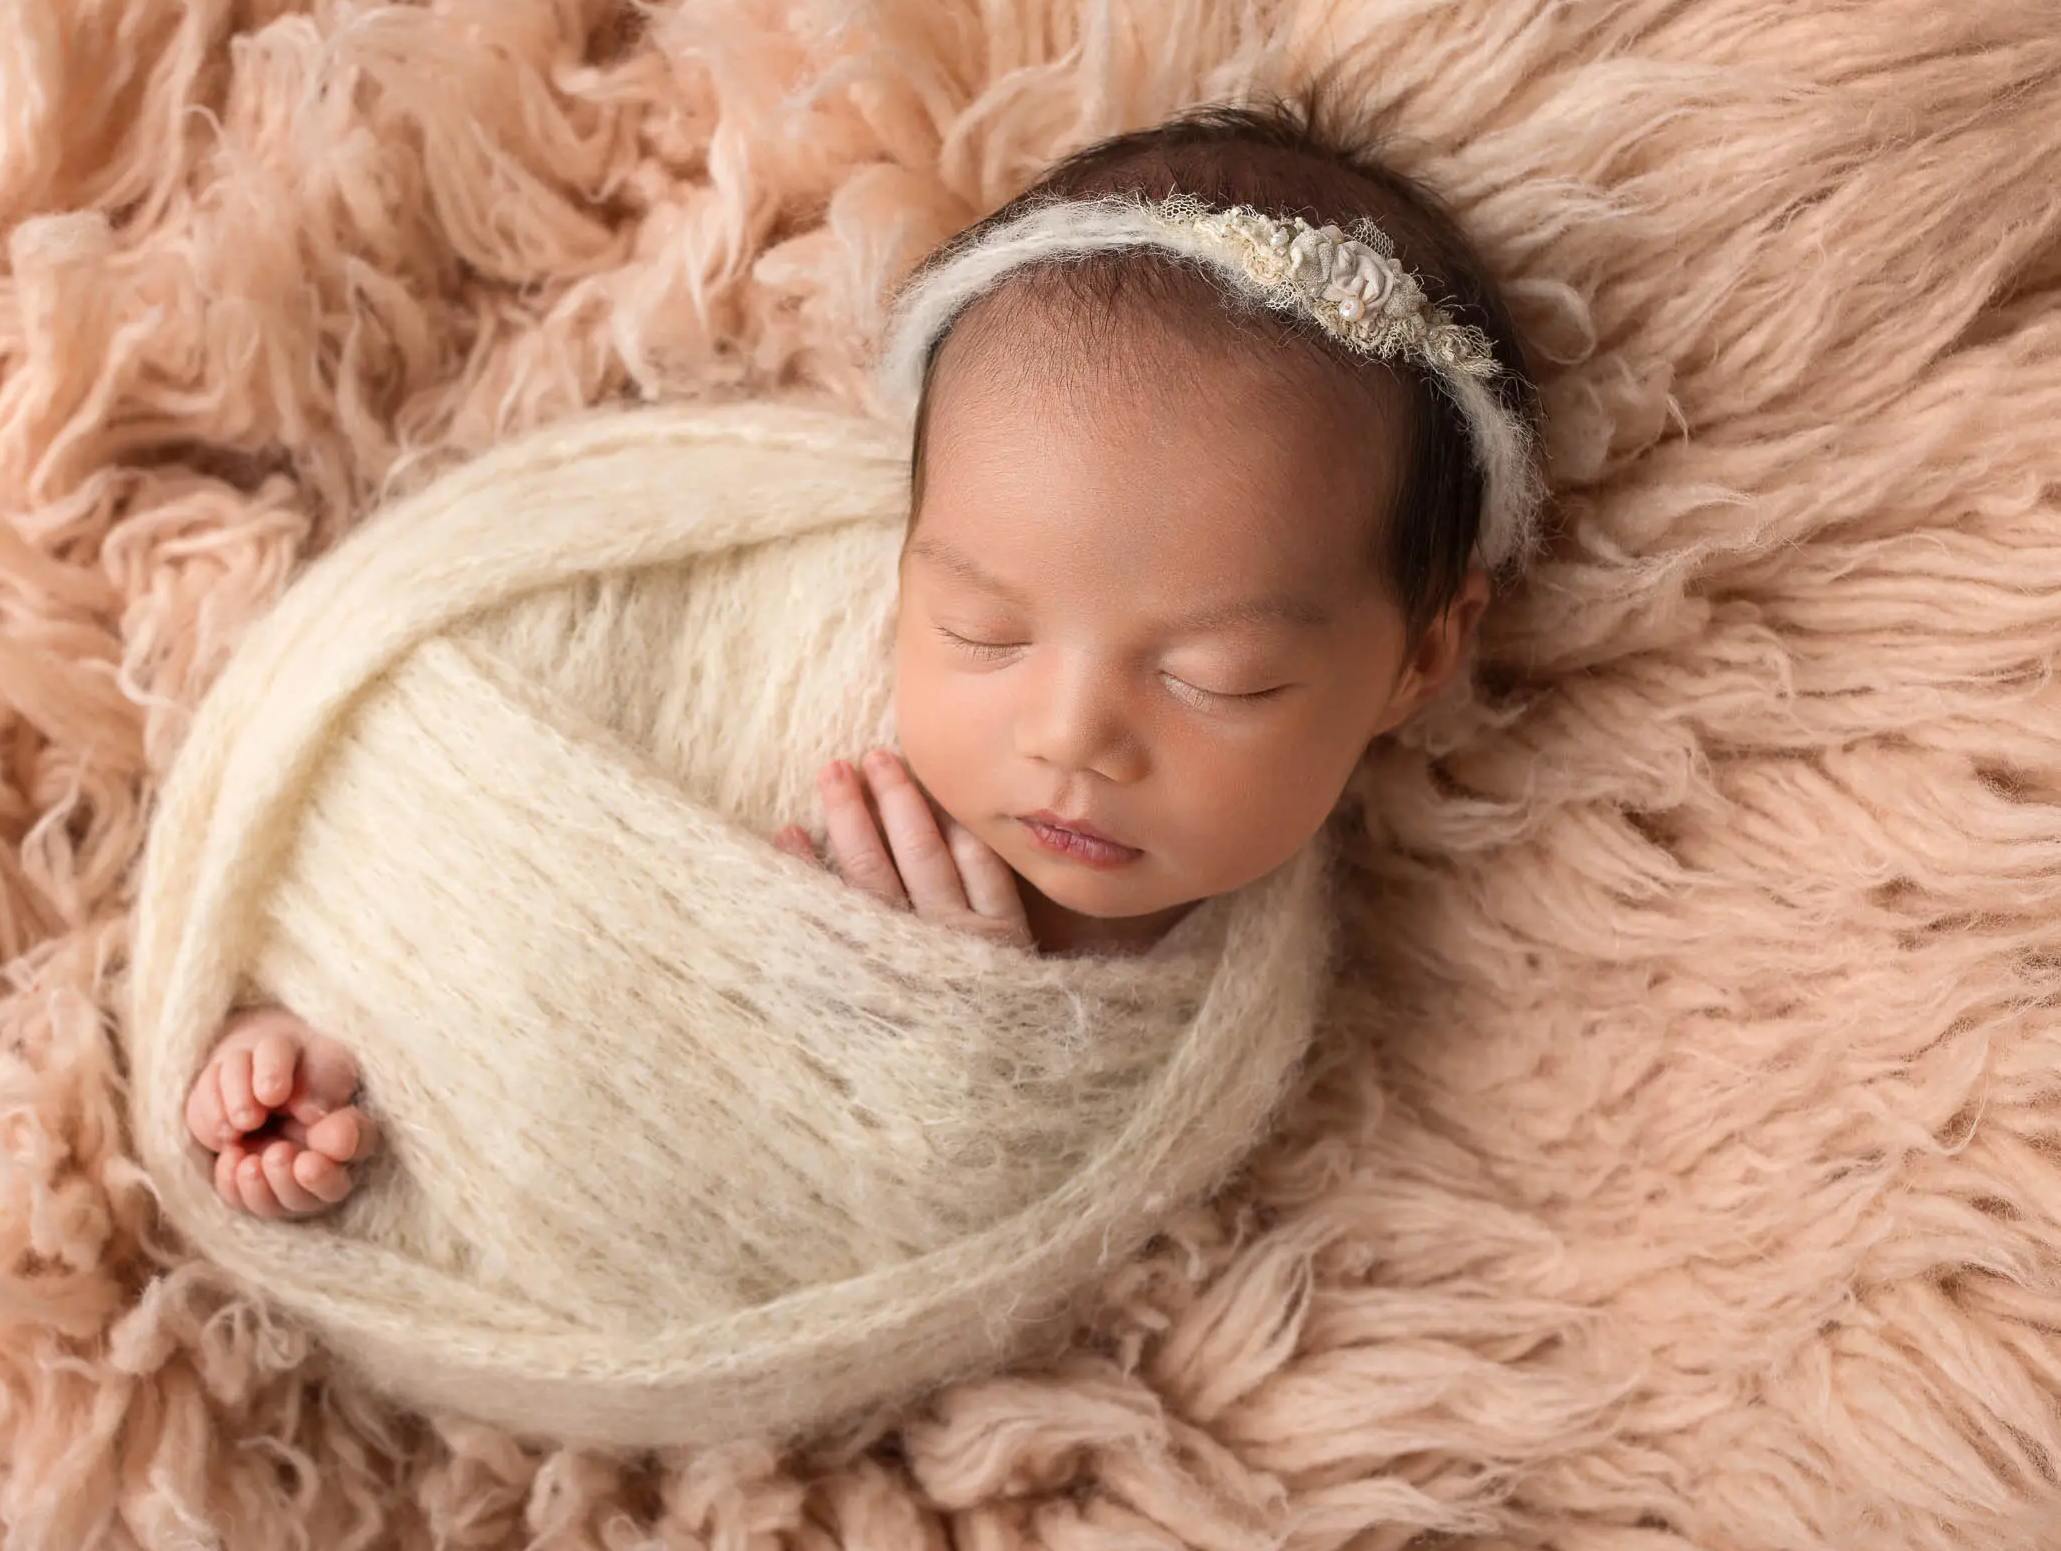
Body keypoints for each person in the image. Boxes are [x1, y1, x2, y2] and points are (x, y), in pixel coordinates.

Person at [184, 100, 1542, 1219]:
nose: (1071, 732)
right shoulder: (796, 642)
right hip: (418, 965)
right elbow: (461, 797)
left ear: (1423, 657)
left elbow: (924, 1230)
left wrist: (956, 1053)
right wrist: (346, 1018)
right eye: (982, 633)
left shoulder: (1232, 1022)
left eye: (1217, 679)